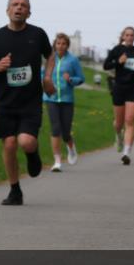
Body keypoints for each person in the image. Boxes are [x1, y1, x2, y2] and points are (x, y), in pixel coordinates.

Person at [0, 0, 55, 200]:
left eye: (24, 6)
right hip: (5, 102)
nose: (19, 8)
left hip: (30, 102)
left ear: (29, 13)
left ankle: (33, 153)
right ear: (7, 10)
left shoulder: (37, 34)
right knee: (10, 144)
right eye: (15, 5)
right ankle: (15, 190)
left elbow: (51, 55)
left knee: (26, 141)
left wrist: (47, 77)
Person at [41, 32, 83, 172]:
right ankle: (57, 160)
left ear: (67, 45)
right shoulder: (49, 59)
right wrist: (43, 83)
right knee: (55, 128)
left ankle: (71, 147)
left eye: (64, 43)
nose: (61, 46)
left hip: (67, 99)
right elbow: (42, 75)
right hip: (50, 98)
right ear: (54, 44)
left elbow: (81, 78)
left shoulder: (73, 60)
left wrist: (71, 79)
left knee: (65, 132)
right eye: (58, 43)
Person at [103, 26, 134, 165]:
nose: (130, 37)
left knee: (130, 120)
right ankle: (118, 136)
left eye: (132, 35)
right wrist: (118, 61)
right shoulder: (116, 50)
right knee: (119, 123)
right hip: (119, 88)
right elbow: (106, 66)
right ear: (123, 36)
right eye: (127, 35)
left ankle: (126, 152)